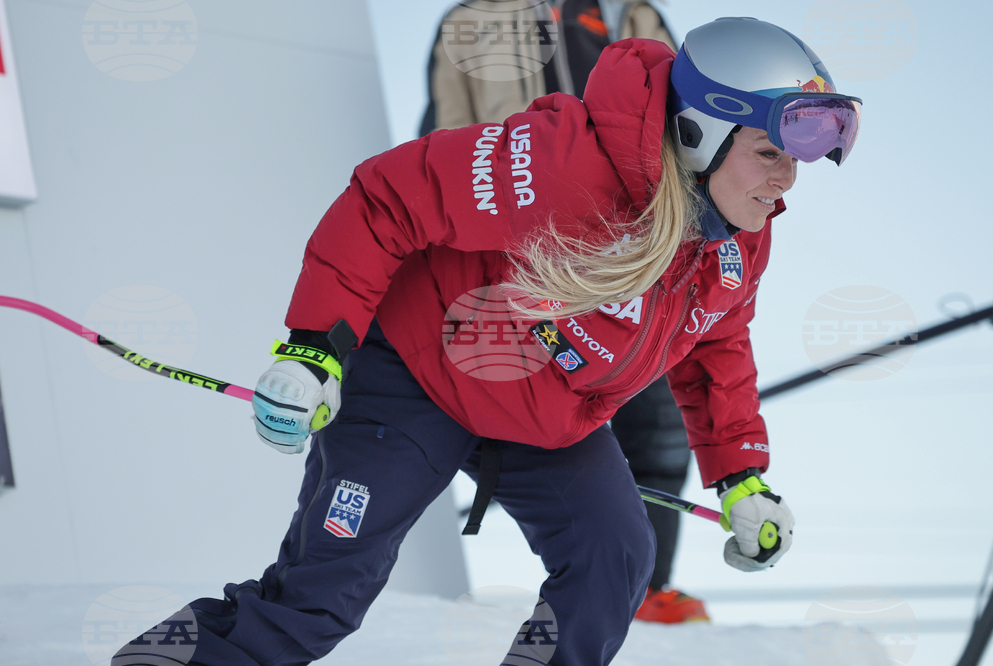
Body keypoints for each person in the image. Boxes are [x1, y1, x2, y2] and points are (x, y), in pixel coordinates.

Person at [114, 16, 861, 666]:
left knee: (614, 557)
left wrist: (743, 479)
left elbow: (717, 353)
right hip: (415, 379)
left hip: (549, 416)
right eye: (771, 152)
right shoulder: (563, 163)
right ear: (700, 131)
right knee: (321, 599)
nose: (786, 180)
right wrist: (315, 348)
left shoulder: (736, 242)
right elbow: (387, 198)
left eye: (795, 159)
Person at [421, 0, 707, 624]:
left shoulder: (639, 16)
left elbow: (692, 130)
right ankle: (575, 586)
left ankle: (648, 590)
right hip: (527, 252)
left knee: (658, 429)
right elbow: (443, 135)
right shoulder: (472, 20)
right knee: (523, 420)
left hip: (638, 253)